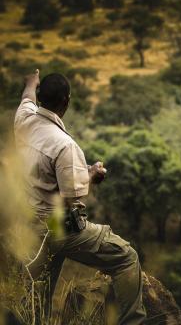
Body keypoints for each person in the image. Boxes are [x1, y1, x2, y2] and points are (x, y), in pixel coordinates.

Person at [14, 69, 146, 325]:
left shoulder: (23, 121)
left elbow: (26, 98)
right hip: (56, 227)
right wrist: (92, 176)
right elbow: (69, 200)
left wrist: (31, 82)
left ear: (41, 97)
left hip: (28, 229)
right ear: (66, 101)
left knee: (37, 299)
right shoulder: (65, 145)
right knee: (126, 257)